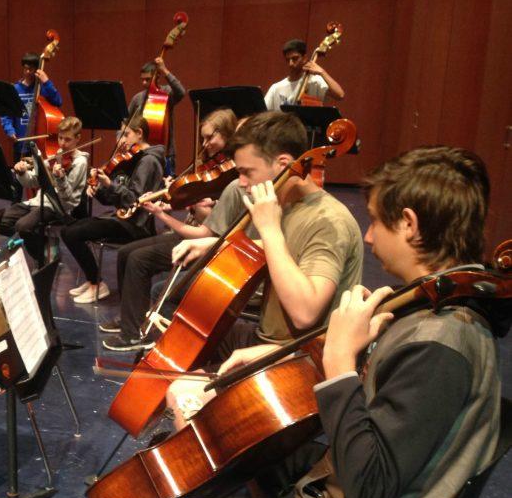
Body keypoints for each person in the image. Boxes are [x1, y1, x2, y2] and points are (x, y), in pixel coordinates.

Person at [136, 145, 501, 498]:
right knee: (259, 447)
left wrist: (340, 365)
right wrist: (281, 354)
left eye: (376, 223)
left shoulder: (439, 347)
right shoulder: (442, 315)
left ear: (411, 223)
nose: (370, 237)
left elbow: (371, 490)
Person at [164, 111, 362, 427]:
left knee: (183, 393)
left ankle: (202, 464)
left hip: (298, 360)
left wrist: (269, 228)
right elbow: (282, 254)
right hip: (266, 337)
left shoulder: (328, 222)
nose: (241, 183)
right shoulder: (284, 202)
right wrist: (210, 245)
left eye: (246, 172)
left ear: (283, 165)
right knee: (177, 345)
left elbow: (305, 312)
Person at [100, 109, 239, 351]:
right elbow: (199, 207)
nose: (205, 145)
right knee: (125, 254)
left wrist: (165, 212)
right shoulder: (215, 169)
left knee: (138, 259)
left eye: (209, 138)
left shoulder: (233, 177)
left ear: (227, 134)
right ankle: (130, 317)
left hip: (203, 242)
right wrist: (172, 202)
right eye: (203, 138)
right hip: (189, 230)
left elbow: (209, 226)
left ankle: (133, 335)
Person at [63, 116, 165, 304]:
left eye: (126, 134)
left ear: (139, 134)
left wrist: (109, 184)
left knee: (71, 233)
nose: (122, 140)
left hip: (135, 225)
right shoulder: (133, 159)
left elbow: (135, 200)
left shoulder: (149, 161)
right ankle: (92, 279)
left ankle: (97, 283)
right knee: (69, 229)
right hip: (121, 218)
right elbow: (115, 198)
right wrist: (99, 189)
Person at [0, 116, 88, 264]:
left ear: (78, 138)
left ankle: (43, 258)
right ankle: (45, 244)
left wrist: (60, 178)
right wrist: (22, 173)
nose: (62, 144)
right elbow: (33, 181)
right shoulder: (56, 155)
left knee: (22, 226)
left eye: (68, 139)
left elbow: (67, 196)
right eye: (60, 138)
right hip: (38, 201)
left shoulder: (80, 162)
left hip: (58, 206)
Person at [0, 52, 63, 163]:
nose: (28, 72)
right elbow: (6, 115)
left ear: (37, 70)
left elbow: (58, 101)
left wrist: (46, 82)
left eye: (31, 69)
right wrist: (9, 130)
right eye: (25, 69)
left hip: (40, 144)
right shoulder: (14, 89)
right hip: (21, 143)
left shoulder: (42, 88)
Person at [128, 58, 186, 176]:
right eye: (142, 80)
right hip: (141, 152)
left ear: (157, 77)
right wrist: (123, 140)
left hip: (166, 153)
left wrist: (165, 70)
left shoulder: (167, 93)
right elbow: (125, 123)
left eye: (147, 79)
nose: (144, 83)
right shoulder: (137, 99)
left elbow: (181, 92)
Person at [264, 38, 345, 111]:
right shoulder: (276, 88)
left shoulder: (315, 82)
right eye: (288, 60)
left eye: (295, 58)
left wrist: (322, 72)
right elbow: (261, 114)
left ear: (305, 58)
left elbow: (340, 95)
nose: (290, 63)